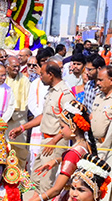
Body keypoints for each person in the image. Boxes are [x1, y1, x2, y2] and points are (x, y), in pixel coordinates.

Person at [11, 61, 72, 192]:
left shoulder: (64, 94)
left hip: (55, 143)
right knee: (35, 179)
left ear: (50, 75)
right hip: (46, 142)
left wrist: (54, 141)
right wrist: (22, 128)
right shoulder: (51, 92)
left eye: (42, 74)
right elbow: (44, 116)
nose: (40, 77)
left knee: (46, 183)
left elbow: (71, 124)